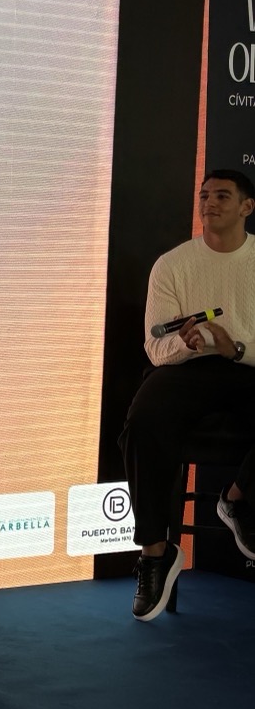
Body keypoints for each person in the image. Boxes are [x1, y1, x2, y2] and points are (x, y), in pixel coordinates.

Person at [120, 168, 255, 622]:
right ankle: (155, 554)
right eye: (204, 195)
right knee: (143, 421)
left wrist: (236, 348)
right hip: (187, 370)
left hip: (247, 366)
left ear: (247, 207)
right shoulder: (172, 264)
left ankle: (235, 498)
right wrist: (186, 344)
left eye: (222, 196)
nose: (209, 203)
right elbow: (156, 348)